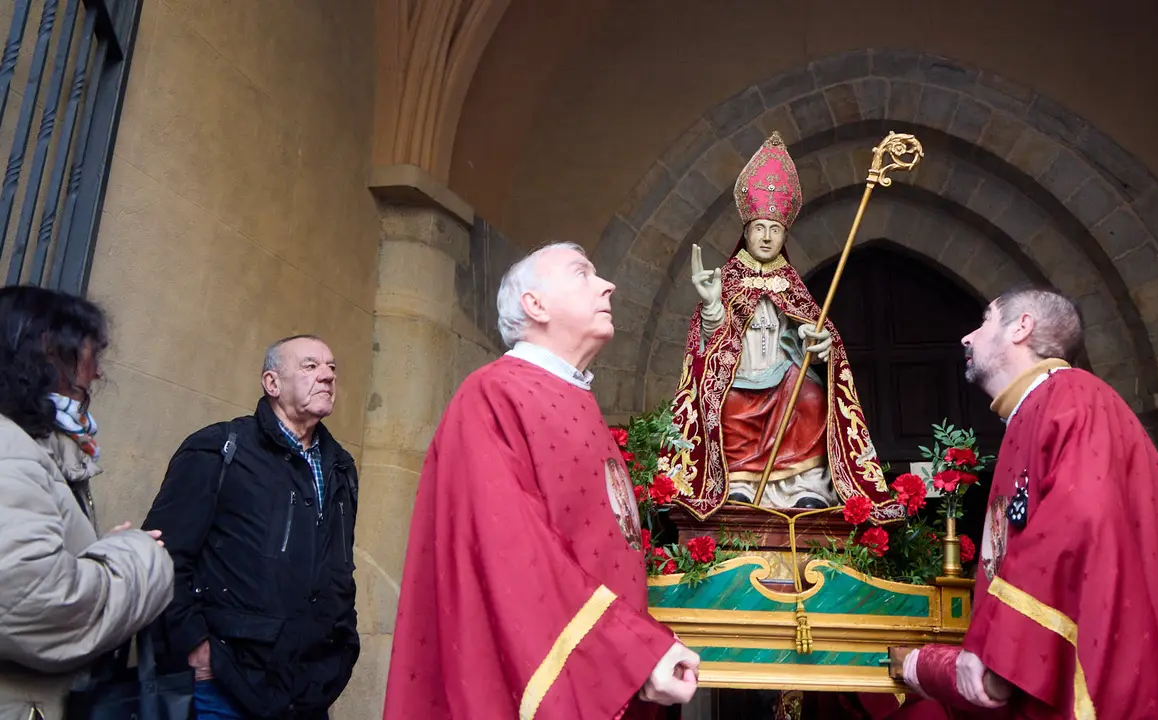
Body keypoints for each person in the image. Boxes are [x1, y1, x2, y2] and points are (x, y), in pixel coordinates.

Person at [891, 285, 1158, 719]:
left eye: (985, 321)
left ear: (1022, 327)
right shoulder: (1034, 410)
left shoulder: (1073, 396)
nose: (967, 337)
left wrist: (998, 651)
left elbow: (1078, 519)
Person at [383, 242, 700, 719]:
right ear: (535, 305)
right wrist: (631, 649)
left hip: (611, 683)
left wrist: (636, 652)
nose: (607, 284)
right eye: (582, 273)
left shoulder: (577, 399)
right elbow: (515, 555)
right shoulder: (494, 394)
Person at [663, 131, 896, 519]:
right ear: (747, 232)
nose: (767, 236)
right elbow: (708, 345)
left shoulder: (792, 284)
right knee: (729, 405)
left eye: (775, 229)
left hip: (784, 373)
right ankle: (737, 484)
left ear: (785, 235)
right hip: (741, 375)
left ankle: (805, 488)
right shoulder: (728, 279)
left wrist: (820, 348)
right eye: (759, 228)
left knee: (811, 398)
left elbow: (819, 342)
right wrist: (711, 305)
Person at [143, 335, 359, 720]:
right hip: (225, 686)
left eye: (331, 368)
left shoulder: (340, 466)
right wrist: (197, 648)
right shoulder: (220, 448)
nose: (326, 376)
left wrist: (343, 644)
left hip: (308, 689)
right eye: (310, 366)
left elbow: (339, 569)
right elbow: (162, 556)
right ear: (272, 383)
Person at [0, 286, 173, 720]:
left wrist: (97, 553)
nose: (97, 374)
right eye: (91, 355)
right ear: (46, 351)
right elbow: (36, 604)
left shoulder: (31, 448)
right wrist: (136, 555)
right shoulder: (8, 450)